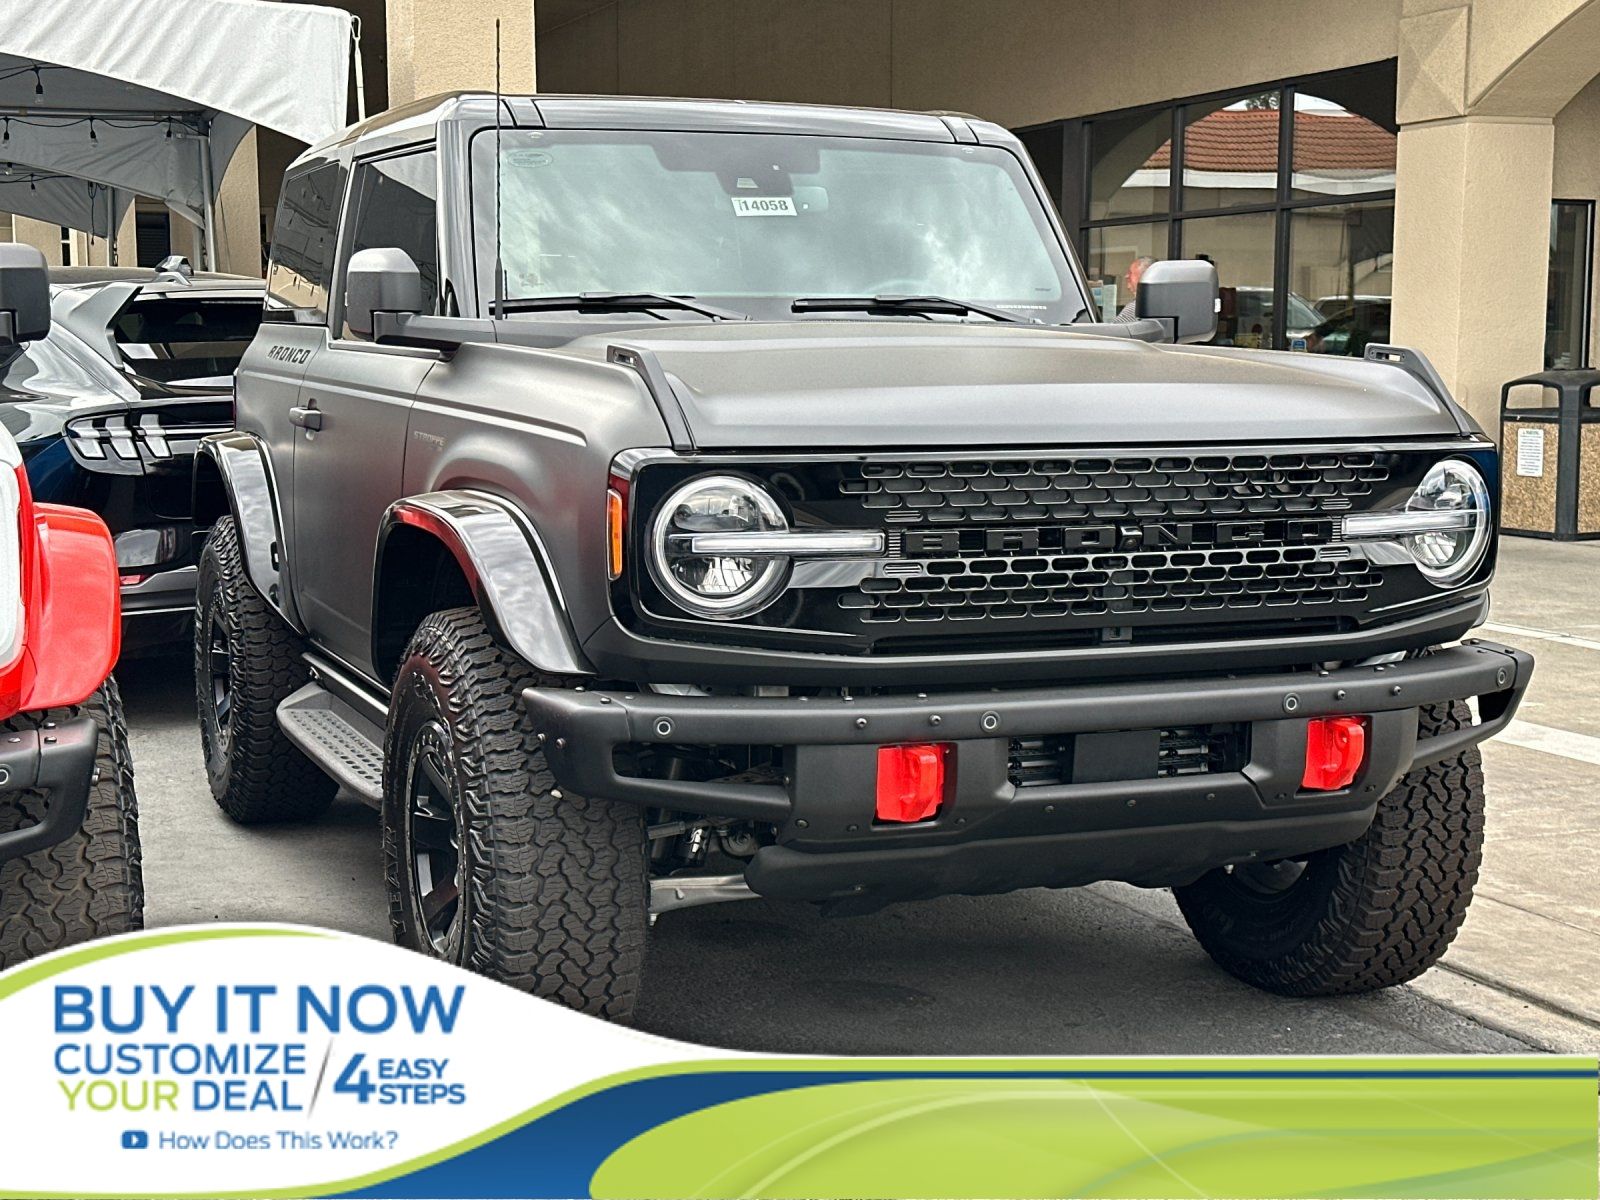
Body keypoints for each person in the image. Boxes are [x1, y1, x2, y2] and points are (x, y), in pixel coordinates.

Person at [1115, 255, 1156, 320]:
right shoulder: (1160, 304)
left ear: (1144, 276)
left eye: (1130, 273)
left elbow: (1116, 326)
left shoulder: (1136, 308)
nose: (1126, 276)